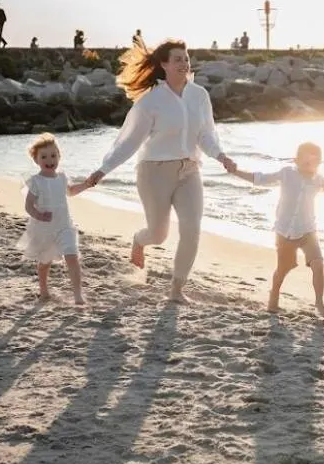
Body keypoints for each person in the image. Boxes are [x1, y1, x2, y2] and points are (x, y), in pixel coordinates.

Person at [81, 40, 235, 302]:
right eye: (178, 59)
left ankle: (177, 289)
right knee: (158, 234)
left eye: (186, 59)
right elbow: (130, 141)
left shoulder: (199, 96)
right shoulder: (151, 101)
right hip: (154, 173)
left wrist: (221, 156)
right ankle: (139, 241)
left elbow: (206, 135)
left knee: (192, 229)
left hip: (189, 171)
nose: (184, 64)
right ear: (163, 64)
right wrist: (103, 169)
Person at [229, 143, 324, 317]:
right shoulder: (286, 174)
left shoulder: (319, 180)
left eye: (314, 160)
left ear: (319, 162)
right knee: (284, 268)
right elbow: (259, 179)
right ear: (296, 160)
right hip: (284, 232)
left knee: (318, 264)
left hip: (307, 231)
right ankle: (274, 295)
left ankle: (319, 304)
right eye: (306, 160)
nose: (310, 164)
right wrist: (235, 171)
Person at [18, 133, 89, 304]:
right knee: (45, 262)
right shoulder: (36, 181)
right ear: (36, 160)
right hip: (44, 228)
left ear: (59, 156)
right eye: (44, 157)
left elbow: (71, 191)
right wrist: (39, 215)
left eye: (53, 155)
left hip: (65, 225)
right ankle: (44, 291)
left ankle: (78, 295)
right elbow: (28, 206)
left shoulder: (62, 177)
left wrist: (86, 184)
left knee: (72, 256)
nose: (49, 160)